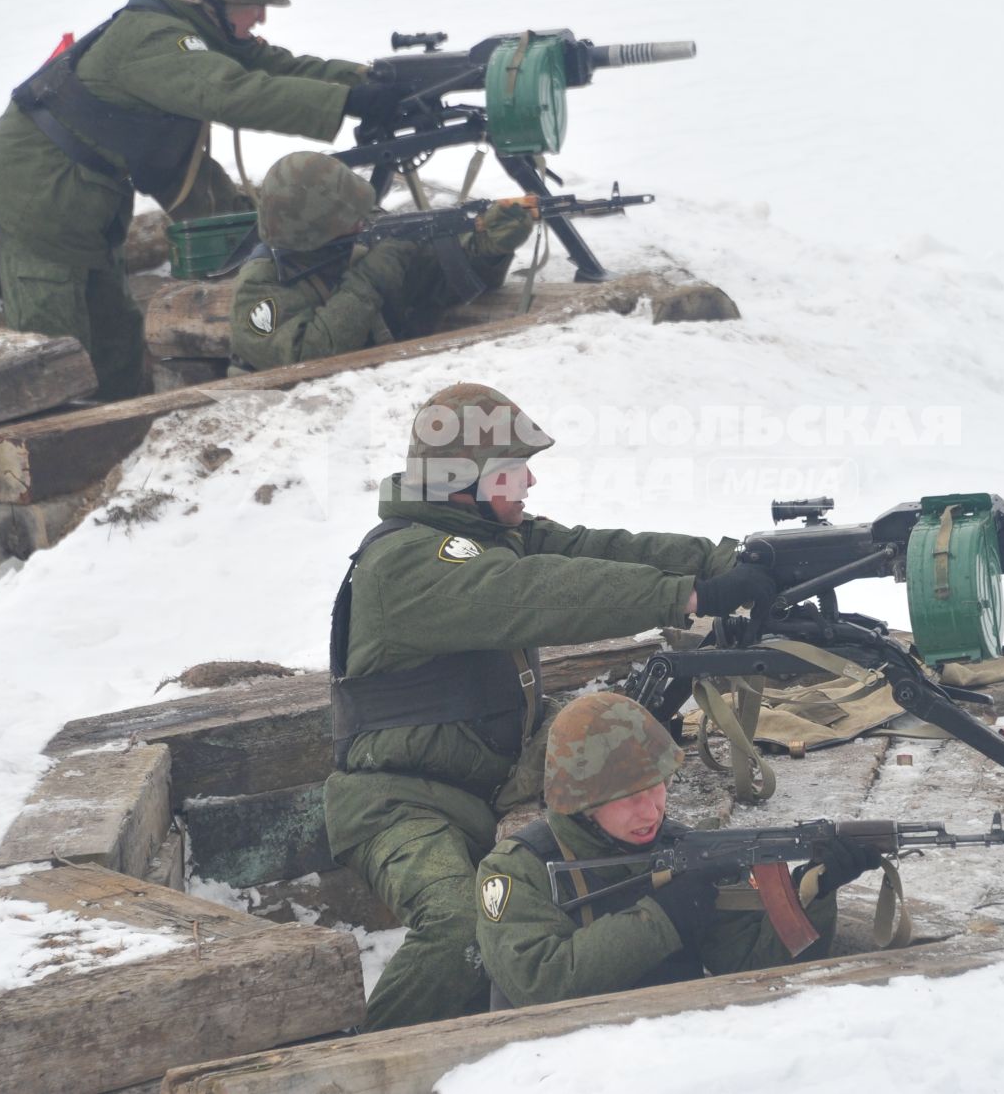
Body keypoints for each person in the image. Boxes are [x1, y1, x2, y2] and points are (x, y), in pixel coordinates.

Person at [322, 382, 780, 1031]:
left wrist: (723, 562)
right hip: (400, 800)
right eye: (511, 471)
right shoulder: (404, 564)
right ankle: (358, 1067)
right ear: (461, 482)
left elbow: (597, 551)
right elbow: (538, 593)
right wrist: (689, 595)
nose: (530, 481)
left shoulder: (487, 531)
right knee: (460, 925)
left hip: (495, 784)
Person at [0, 0, 403, 399]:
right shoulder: (156, 41)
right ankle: (58, 452)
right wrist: (345, 105)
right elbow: (232, 91)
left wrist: (364, 83)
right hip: (38, 194)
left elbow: (277, 67)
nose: (261, 17)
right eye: (253, 4)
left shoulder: (197, 30)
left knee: (113, 334)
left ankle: (122, 435)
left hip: (83, 195)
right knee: (54, 351)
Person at [475, 692, 882, 1008]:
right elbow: (540, 986)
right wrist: (664, 916)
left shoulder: (684, 850)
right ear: (583, 801)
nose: (650, 809)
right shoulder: (517, 870)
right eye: (629, 797)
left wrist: (813, 890)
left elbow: (752, 968)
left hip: (673, 1053)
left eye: (657, 787)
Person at [227, 152, 535, 372]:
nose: (361, 224)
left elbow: (440, 281)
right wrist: (372, 277)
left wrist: (490, 246)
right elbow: (308, 357)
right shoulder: (261, 284)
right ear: (313, 230)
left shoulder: (360, 241)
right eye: (349, 219)